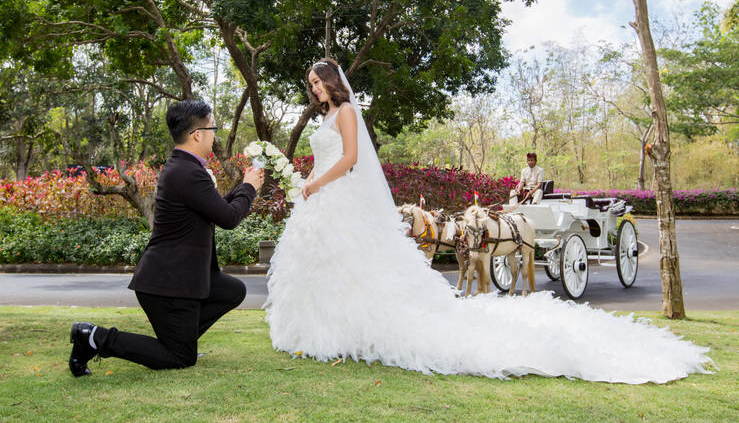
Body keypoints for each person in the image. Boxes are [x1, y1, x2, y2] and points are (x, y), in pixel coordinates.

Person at [264, 58, 711, 384]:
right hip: (320, 199)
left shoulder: (345, 113)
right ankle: (322, 331)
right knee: (324, 266)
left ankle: (353, 330)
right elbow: (328, 157)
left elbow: (352, 157)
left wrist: (316, 183)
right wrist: (309, 182)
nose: (316, 88)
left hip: (333, 194)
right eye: (310, 83)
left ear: (333, 82)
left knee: (354, 266)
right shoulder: (322, 116)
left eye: (319, 81)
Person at [68, 100, 264, 376]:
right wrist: (249, 188)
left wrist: (244, 186)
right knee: (180, 357)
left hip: (184, 278)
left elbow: (217, 208)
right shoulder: (187, 172)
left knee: (232, 290)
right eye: (212, 128)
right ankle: (93, 336)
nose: (214, 135)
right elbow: (229, 219)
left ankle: (180, 339)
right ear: (198, 134)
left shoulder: (184, 167)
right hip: (168, 283)